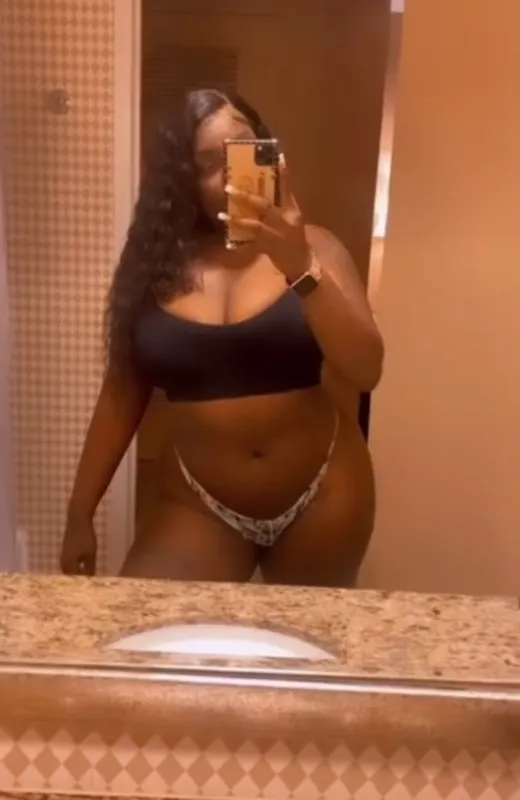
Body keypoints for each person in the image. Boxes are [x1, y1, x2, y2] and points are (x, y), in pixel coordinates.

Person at [60, 89, 383, 586]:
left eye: (242, 149)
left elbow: (366, 369)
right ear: (183, 184)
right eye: (208, 165)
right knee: (155, 628)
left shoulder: (317, 247)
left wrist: (300, 267)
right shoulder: (154, 271)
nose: (231, 174)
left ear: (268, 151)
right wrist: (79, 512)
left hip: (324, 494)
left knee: (301, 633)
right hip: (200, 504)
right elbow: (122, 392)